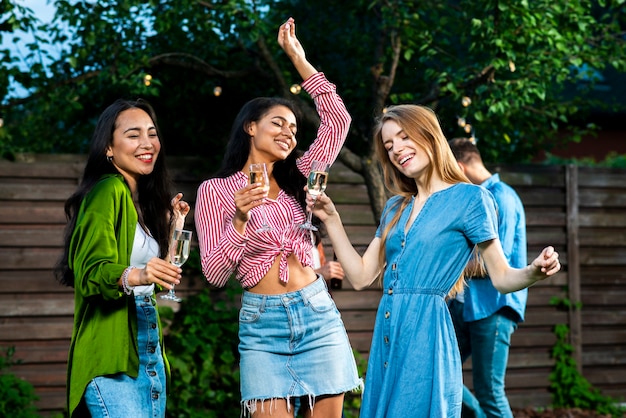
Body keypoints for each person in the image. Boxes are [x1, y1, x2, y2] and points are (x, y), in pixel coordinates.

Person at [309, 104, 561, 417]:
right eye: (389, 146)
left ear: (429, 136)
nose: (397, 149)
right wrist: (332, 220)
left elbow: (502, 277)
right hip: (388, 331)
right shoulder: (395, 207)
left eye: (404, 137)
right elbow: (361, 277)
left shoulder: (472, 199)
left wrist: (534, 271)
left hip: (427, 332)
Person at [194, 18, 361, 418]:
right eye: (278, 123)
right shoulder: (215, 191)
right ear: (251, 127)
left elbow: (339, 120)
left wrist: (298, 59)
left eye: (294, 127)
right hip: (261, 327)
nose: (289, 132)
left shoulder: (300, 177)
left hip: (318, 314)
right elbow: (215, 275)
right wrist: (238, 220)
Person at [54, 98, 190, 417]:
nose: (147, 143)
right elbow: (91, 274)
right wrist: (139, 275)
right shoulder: (107, 190)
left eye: (152, 133)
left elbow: (154, 281)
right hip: (112, 354)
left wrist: (174, 229)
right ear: (109, 148)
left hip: (146, 345)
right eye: (133, 134)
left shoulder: (135, 201)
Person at [447, 137, 527, 418]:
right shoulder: (473, 199)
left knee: (489, 392)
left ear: (459, 167)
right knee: (439, 371)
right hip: (464, 307)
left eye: (449, 171)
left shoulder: (500, 197)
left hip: (493, 307)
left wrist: (443, 266)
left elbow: (495, 264)